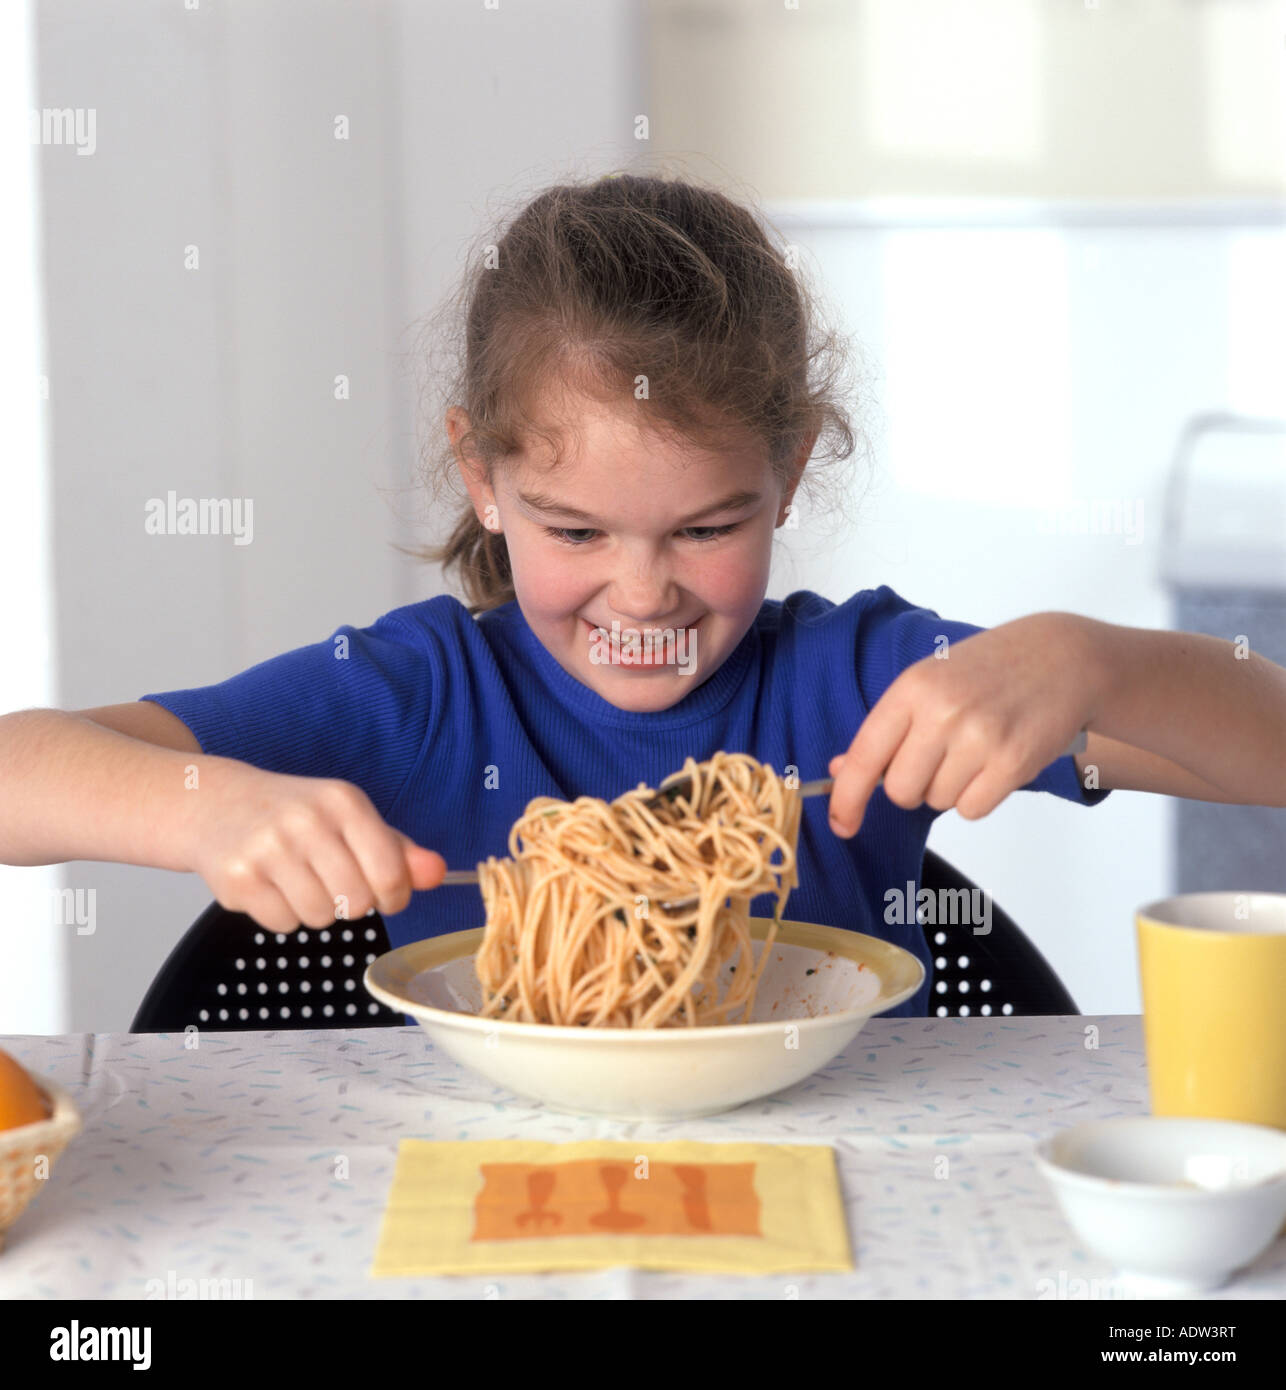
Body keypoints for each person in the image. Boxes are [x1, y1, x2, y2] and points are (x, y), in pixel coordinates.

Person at [4, 173, 1284, 1019]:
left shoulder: (857, 686)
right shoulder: (414, 700)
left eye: (707, 525)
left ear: (786, 476)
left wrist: (1091, 660)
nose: (642, 587)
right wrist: (203, 805)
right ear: (480, 478)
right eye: (574, 528)